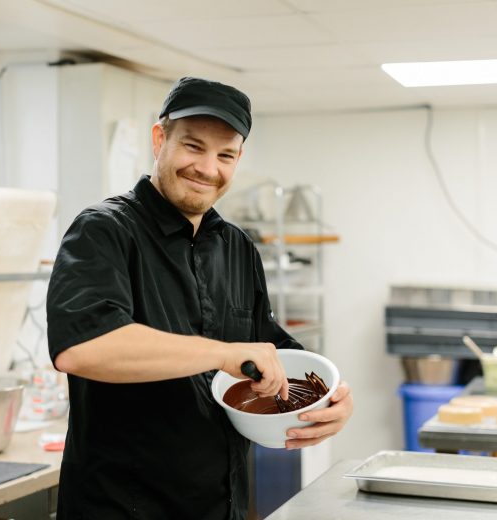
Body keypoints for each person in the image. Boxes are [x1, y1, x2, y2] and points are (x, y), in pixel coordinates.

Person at [47, 76, 353, 520]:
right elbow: (84, 347)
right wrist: (222, 354)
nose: (208, 168)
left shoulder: (237, 247)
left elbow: (269, 350)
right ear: (159, 139)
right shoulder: (104, 230)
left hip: (220, 506)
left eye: (225, 154)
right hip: (122, 507)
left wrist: (332, 402)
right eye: (193, 146)